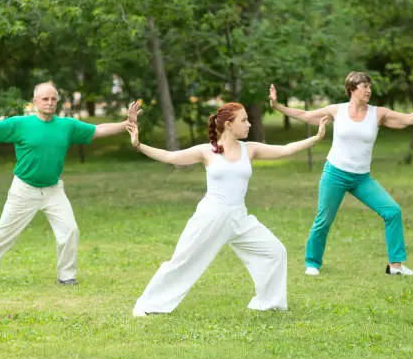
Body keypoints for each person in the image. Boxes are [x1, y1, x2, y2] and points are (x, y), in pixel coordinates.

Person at [126, 102, 330, 316]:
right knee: (182, 261)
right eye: (244, 120)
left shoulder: (249, 149)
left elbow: (285, 149)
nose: (249, 124)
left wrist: (316, 138)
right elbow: (170, 156)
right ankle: (147, 305)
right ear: (229, 125)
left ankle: (268, 303)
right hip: (211, 217)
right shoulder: (207, 151)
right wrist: (138, 145)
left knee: (275, 251)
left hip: (239, 217)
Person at [0, 83, 141, 285]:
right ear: (35, 101)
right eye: (45, 99)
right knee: (4, 232)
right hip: (24, 189)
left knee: (70, 230)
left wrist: (126, 124)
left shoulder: (67, 126)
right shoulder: (20, 124)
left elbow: (98, 130)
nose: (50, 102)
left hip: (53, 190)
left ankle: (67, 276)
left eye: (53, 99)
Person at [269, 73, 413, 276]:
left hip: (361, 178)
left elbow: (407, 119)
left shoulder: (378, 114)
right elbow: (306, 115)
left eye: (370, 86)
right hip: (335, 174)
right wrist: (277, 106)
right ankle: (312, 263)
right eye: (364, 86)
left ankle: (395, 266)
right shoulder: (337, 110)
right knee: (323, 219)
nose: (369, 90)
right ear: (352, 88)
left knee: (392, 211)